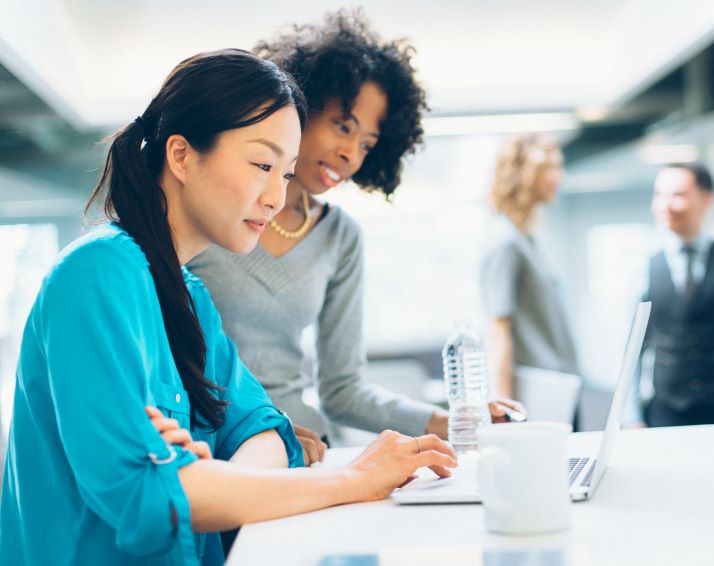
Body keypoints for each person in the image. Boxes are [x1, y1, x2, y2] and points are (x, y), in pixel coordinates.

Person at [0, 49, 456, 566]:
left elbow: (267, 432)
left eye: (285, 174)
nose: (275, 199)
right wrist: (353, 479)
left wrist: (212, 478)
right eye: (262, 164)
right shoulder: (96, 273)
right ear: (182, 155)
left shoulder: (189, 294)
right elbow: (147, 498)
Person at [188, 11, 521, 460]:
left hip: (303, 448)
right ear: (298, 105)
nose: (350, 154)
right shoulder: (211, 212)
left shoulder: (340, 237)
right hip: (214, 446)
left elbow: (342, 389)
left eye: (367, 143)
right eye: (343, 127)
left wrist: (448, 420)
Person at [625, 163, 714, 428]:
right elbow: (631, 352)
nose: (665, 205)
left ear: (706, 200)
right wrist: (632, 417)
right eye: (659, 195)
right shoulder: (644, 270)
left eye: (677, 195)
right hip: (665, 416)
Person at [480, 134, 579, 405]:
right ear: (526, 173)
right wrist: (504, 410)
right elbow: (498, 330)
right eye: (552, 168)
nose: (559, 177)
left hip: (557, 390)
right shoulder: (505, 241)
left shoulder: (526, 240)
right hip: (536, 399)